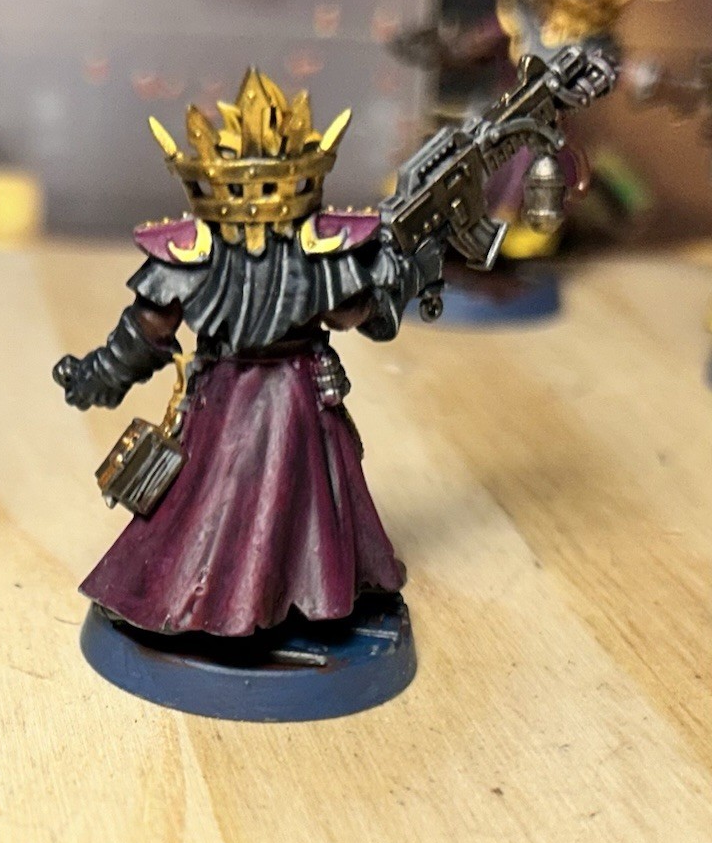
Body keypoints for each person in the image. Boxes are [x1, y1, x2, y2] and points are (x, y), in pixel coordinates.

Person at [54, 68, 439, 637]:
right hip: (263, 399)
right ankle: (227, 606)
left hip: (268, 398)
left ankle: (263, 601)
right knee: (225, 506)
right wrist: (99, 376)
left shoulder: (300, 248)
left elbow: (147, 328)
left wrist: (99, 374)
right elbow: (356, 315)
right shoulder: (306, 250)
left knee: (249, 506)